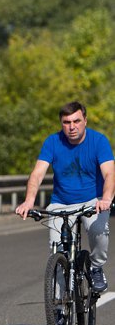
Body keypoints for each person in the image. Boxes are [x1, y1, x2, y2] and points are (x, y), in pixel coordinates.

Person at [16, 101, 114, 293]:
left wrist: (106, 198)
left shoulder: (99, 141)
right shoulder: (53, 142)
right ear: (61, 123)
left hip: (93, 201)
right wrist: (29, 201)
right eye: (66, 122)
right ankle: (60, 310)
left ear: (85, 120)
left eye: (76, 121)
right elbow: (37, 174)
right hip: (61, 203)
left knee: (98, 230)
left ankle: (96, 267)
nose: (72, 127)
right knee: (58, 253)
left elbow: (110, 174)